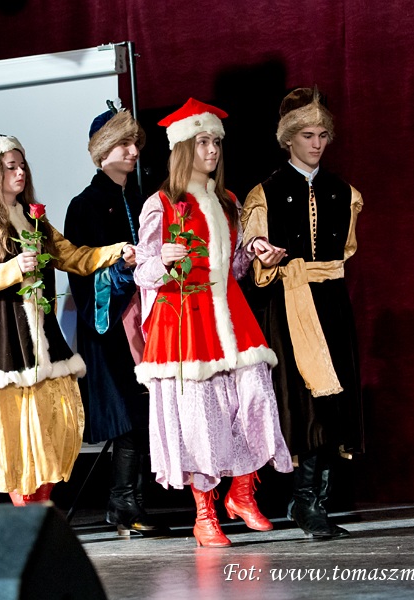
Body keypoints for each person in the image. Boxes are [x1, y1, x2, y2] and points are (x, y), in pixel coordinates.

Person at [0, 134, 131, 505]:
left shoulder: (34, 220)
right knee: (14, 430)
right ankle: (27, 512)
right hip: (2, 332)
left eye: (22, 165)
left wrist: (117, 252)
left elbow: (73, 256)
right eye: (11, 166)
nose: (20, 172)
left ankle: (41, 505)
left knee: (57, 420)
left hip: (41, 330)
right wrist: (12, 268)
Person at [133, 98, 292, 547]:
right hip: (185, 317)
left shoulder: (228, 201)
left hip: (231, 313)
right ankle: (205, 514)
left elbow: (234, 267)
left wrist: (255, 251)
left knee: (256, 397)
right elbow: (143, 271)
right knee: (201, 416)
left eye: (216, 143)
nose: (212, 150)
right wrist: (163, 260)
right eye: (203, 142)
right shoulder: (161, 203)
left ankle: (241, 493)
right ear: (184, 148)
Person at [241, 87, 363, 539]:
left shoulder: (343, 193)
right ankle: (305, 500)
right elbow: (253, 255)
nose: (316, 143)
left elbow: (344, 249)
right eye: (308, 135)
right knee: (304, 400)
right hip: (290, 305)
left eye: (322, 135)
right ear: (288, 139)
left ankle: (317, 502)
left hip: (330, 302)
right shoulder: (266, 193)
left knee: (334, 400)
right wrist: (263, 254)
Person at [64, 104, 168, 536]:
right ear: (102, 150)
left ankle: (127, 502)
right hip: (108, 326)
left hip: (145, 321)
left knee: (142, 410)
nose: (132, 151)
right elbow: (80, 271)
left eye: (134, 143)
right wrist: (121, 270)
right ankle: (123, 503)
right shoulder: (84, 205)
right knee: (126, 415)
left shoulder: (141, 199)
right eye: (122, 143)